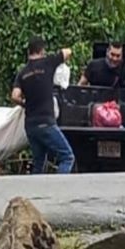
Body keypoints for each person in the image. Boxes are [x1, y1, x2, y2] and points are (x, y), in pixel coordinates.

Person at [11, 36, 75, 174]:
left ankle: (36, 193)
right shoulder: (48, 63)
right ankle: (58, 188)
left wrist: (24, 104)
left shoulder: (22, 73)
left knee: (39, 163)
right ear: (42, 50)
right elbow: (67, 52)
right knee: (67, 157)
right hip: (46, 123)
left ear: (29, 52)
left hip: (30, 126)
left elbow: (14, 96)